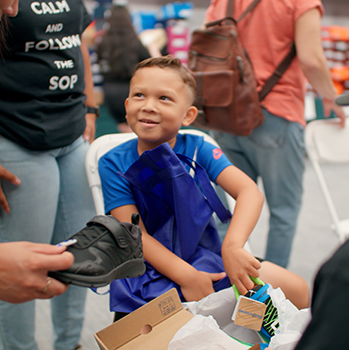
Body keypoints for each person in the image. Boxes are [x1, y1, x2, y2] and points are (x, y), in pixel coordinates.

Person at [99, 56, 309, 321]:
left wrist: (232, 247)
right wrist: (188, 277)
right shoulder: (112, 162)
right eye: (140, 95)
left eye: (164, 98)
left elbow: (249, 193)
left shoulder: (199, 148)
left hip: (208, 258)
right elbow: (135, 236)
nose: (149, 106)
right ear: (127, 105)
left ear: (188, 115)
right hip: (148, 270)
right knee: (141, 337)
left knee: (297, 292)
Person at [0, 0, 97, 349]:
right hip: (8, 131)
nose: (11, 10)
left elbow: (77, 40)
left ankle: (69, 343)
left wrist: (89, 107)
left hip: (71, 132)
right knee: (15, 269)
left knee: (77, 258)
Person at [204, 0, 347, 268]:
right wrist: (332, 98)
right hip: (276, 113)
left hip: (226, 115)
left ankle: (222, 282)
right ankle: (271, 292)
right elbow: (312, 59)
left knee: (227, 213)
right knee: (283, 212)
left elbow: (206, 49)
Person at [96, 4, 151, 133]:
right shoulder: (134, 41)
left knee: (118, 129)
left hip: (109, 90)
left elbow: (99, 63)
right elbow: (148, 62)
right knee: (134, 129)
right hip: (131, 88)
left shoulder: (103, 41)